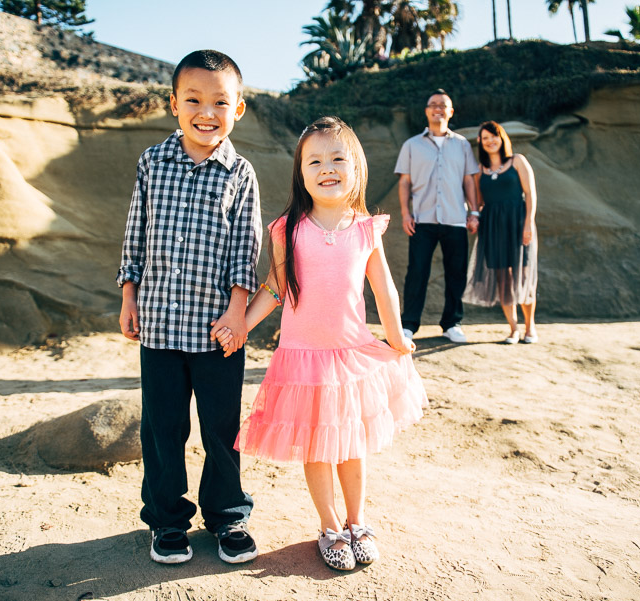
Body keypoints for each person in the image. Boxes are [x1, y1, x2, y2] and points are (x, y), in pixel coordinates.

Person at [217, 116, 427, 571]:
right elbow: (275, 287)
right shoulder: (287, 229)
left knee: (351, 446)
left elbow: (383, 288)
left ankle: (357, 521)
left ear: (356, 168)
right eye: (314, 161)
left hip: (350, 357)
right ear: (301, 172)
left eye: (337, 158)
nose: (327, 168)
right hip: (303, 361)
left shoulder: (365, 228)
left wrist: (396, 337)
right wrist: (242, 325)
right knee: (316, 448)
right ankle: (330, 526)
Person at [116, 49, 261, 566]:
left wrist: (238, 312)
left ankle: (227, 516)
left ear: (237, 109)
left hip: (217, 330)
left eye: (220, 102)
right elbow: (136, 233)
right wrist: (129, 295)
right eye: (194, 100)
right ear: (174, 104)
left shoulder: (240, 173)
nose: (207, 112)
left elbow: (245, 247)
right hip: (158, 324)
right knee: (162, 430)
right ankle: (167, 521)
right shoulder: (152, 163)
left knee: (222, 430)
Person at [395, 88, 480, 343]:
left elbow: (469, 180)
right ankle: (409, 325)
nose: (438, 108)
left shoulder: (462, 145)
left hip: (456, 218)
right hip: (421, 219)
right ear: (426, 111)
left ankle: (452, 323)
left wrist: (474, 211)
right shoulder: (411, 145)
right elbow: (404, 182)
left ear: (450, 111)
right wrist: (405, 214)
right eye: (433, 104)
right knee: (417, 273)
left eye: (443, 105)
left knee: (457, 273)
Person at [463, 121, 539, 344]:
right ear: (481, 142)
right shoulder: (480, 170)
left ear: (502, 138)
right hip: (493, 227)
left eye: (494, 136)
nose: (490, 141)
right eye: (485, 138)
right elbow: (478, 203)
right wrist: (473, 217)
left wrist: (528, 223)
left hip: (518, 223)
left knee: (523, 275)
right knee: (502, 278)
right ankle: (513, 329)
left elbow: (531, 194)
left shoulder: (518, 161)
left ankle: (530, 328)